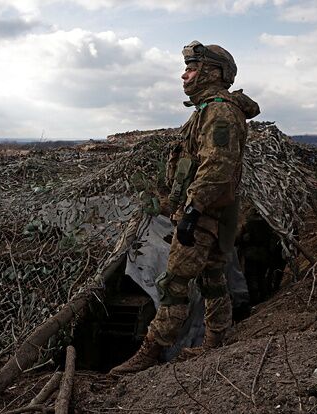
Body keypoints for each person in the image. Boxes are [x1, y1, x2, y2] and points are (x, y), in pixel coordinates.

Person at [110, 40, 260, 375]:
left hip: (205, 214)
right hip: (211, 211)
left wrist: (192, 211)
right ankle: (216, 341)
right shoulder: (209, 111)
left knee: (174, 284)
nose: (184, 75)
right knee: (212, 279)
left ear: (211, 72)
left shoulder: (219, 112)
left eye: (191, 69)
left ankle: (150, 351)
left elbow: (218, 165)